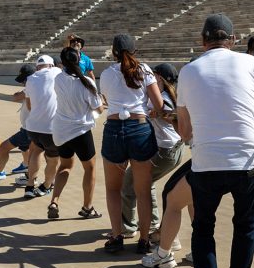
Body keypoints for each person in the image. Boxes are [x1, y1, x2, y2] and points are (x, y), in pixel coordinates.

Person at [176, 13, 254, 268]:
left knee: (203, 228)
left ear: (203, 41)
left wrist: (197, 137)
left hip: (207, 162)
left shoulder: (189, 71)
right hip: (248, 159)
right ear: (232, 40)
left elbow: (184, 128)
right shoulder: (251, 63)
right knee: (245, 224)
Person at [99, 34, 163, 255]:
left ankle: (117, 236)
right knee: (143, 190)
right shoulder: (145, 70)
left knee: (112, 189)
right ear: (134, 50)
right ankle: (144, 240)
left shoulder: (107, 73)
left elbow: (107, 99)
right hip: (140, 127)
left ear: (114, 52)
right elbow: (159, 103)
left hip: (115, 128)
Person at [121, 62, 184, 238]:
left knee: (129, 184)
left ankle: (128, 226)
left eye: (152, 76)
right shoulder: (170, 96)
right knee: (146, 183)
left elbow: (163, 111)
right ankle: (152, 222)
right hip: (172, 150)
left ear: (158, 78)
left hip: (165, 151)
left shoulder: (162, 99)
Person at [48, 47, 103, 220]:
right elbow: (99, 109)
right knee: (90, 168)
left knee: (64, 166)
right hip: (80, 130)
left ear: (62, 63)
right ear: (79, 60)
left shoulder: (57, 79)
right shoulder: (87, 82)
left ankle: (54, 201)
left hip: (60, 129)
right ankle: (87, 207)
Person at [0, 64, 34, 184]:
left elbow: (16, 97)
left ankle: (0, 172)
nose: (22, 83)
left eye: (24, 80)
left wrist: (19, 93)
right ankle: (26, 168)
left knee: (3, 147)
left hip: (30, 129)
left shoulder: (31, 87)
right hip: (28, 128)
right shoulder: (34, 87)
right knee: (24, 148)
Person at [23, 55, 62, 199]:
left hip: (33, 126)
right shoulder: (57, 72)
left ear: (37, 67)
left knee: (36, 152)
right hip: (50, 127)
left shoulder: (31, 79)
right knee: (53, 159)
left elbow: (29, 105)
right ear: (51, 65)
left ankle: (29, 185)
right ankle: (46, 185)